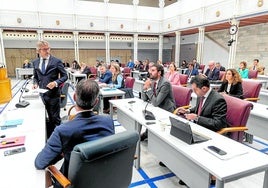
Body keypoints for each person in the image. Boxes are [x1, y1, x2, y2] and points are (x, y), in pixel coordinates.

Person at [34, 79, 115, 188]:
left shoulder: (62, 130)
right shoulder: (108, 121)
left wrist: (61, 153)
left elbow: (40, 162)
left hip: (73, 183)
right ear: (96, 102)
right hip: (104, 178)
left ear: (74, 97)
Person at [32, 40, 68, 138]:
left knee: (55, 119)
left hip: (53, 95)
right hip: (42, 95)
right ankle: (50, 137)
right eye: (45, 49)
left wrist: (56, 82)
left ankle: (59, 140)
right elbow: (35, 77)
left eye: (48, 49)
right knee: (45, 117)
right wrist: (35, 84)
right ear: (38, 51)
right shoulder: (35, 62)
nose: (48, 51)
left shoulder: (56, 61)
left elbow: (65, 76)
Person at [141, 63, 176, 141]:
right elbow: (144, 99)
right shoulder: (153, 81)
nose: (150, 72)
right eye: (150, 70)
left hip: (167, 109)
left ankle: (148, 134)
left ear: (159, 72)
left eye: (153, 70)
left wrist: (149, 88)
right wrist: (145, 87)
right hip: (158, 107)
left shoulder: (165, 83)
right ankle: (148, 133)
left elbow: (156, 103)